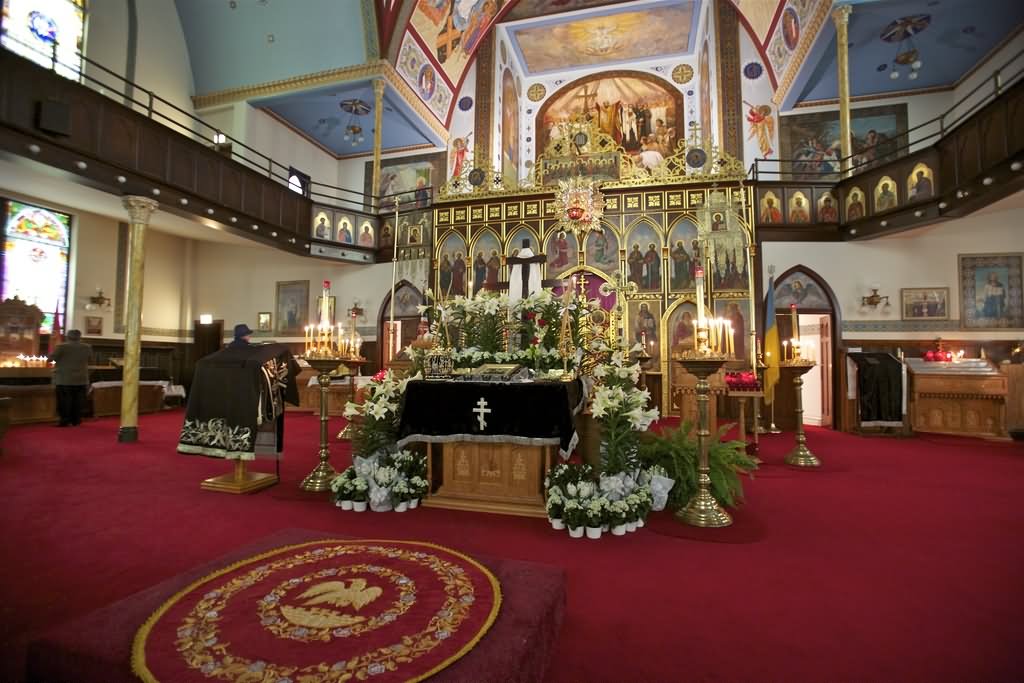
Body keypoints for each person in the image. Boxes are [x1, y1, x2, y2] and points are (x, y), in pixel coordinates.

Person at [52, 329, 91, 427]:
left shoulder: (61, 347)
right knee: (78, 401)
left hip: (64, 379)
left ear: (67, 337)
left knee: (64, 401)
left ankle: (64, 420)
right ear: (80, 337)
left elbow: (51, 358)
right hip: (81, 378)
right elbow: (90, 358)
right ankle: (76, 420)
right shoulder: (87, 347)